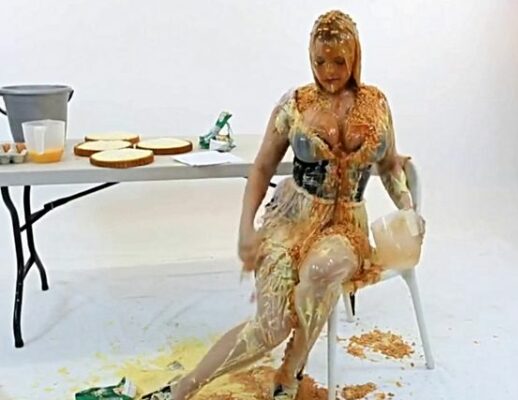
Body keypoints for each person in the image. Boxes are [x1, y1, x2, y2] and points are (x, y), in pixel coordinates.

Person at [147, 9, 414, 400]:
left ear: (355, 57)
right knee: (270, 327)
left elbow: (389, 165)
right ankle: (182, 388)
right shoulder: (295, 104)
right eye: (320, 61)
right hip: (292, 216)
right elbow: (261, 168)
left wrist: (407, 209)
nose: (328, 72)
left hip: (345, 224)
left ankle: (288, 376)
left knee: (323, 268)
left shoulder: (376, 104)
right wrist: (245, 228)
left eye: (339, 61)